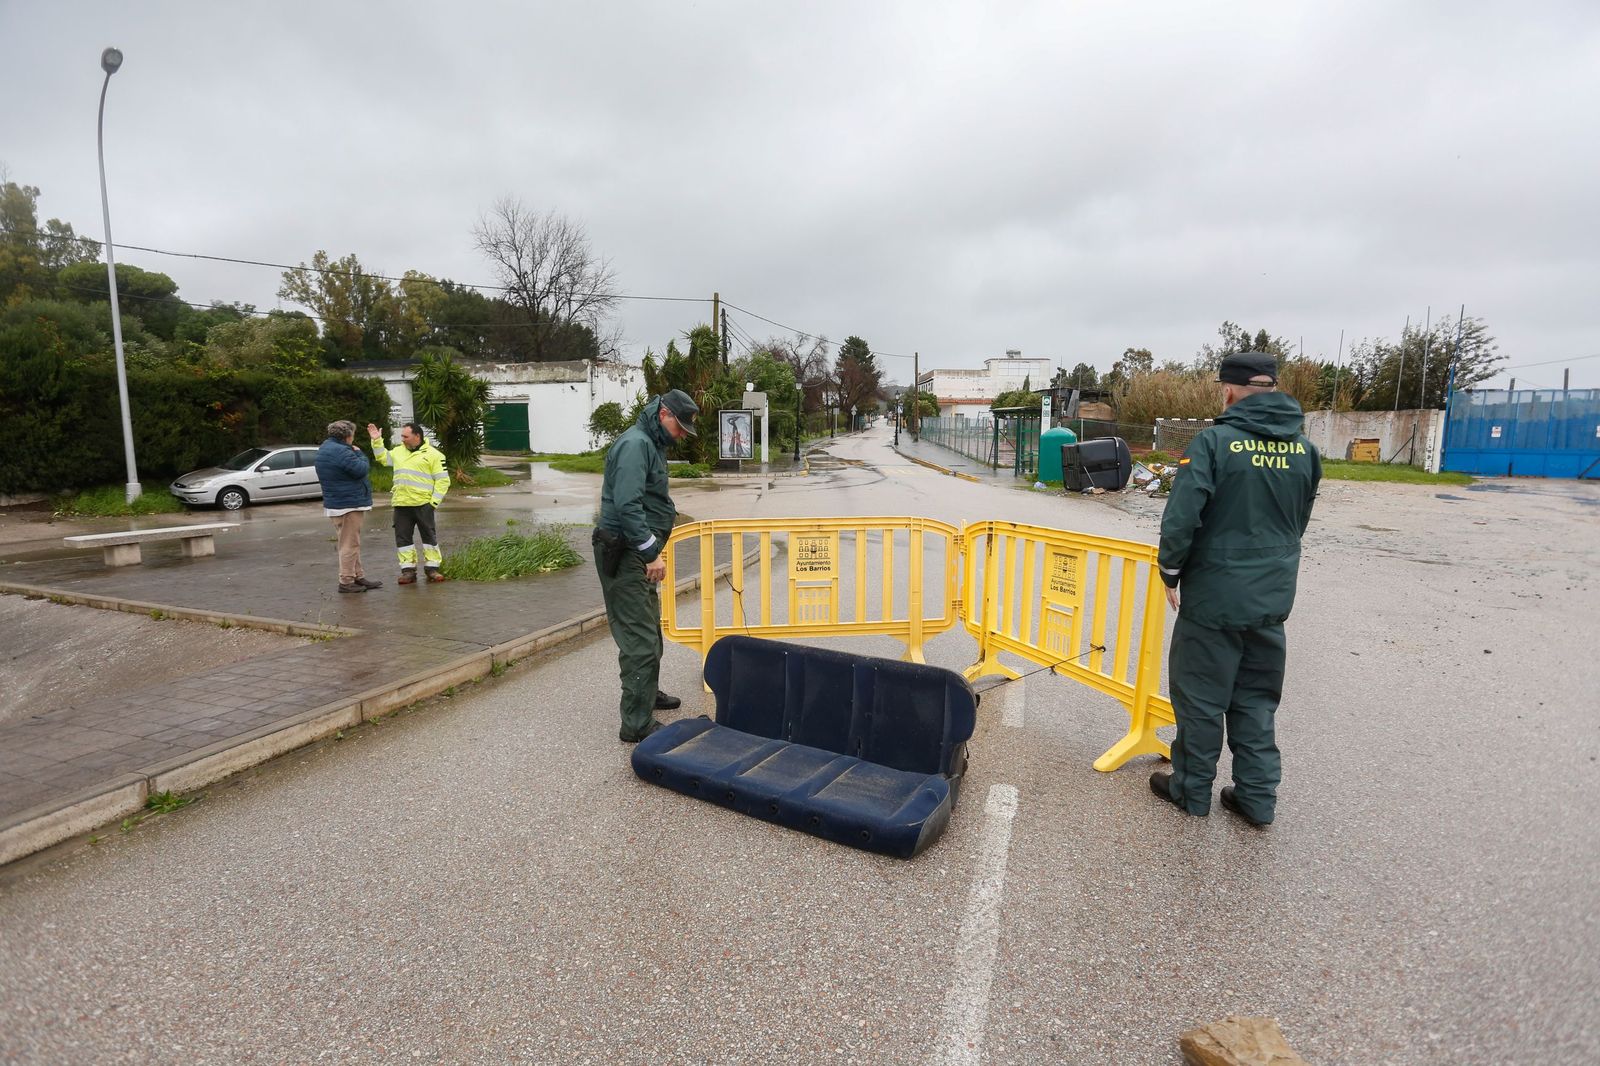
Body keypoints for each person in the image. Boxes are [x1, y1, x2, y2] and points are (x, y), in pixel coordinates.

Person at [1150, 352, 1321, 827]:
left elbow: (1182, 517)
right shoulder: (1304, 450)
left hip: (1214, 597)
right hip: (1271, 596)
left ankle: (1191, 790)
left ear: (1228, 391)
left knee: (1201, 697)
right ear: (1273, 388)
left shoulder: (1213, 443)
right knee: (1257, 699)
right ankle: (1256, 798)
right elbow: (1299, 520)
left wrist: (1170, 571)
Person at [593, 389, 699, 743]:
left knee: (650, 628)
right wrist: (651, 552)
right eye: (679, 427)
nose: (681, 435)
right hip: (625, 552)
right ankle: (636, 724)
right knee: (639, 638)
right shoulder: (636, 444)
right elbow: (628, 505)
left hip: (634, 551)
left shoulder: (651, 443)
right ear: (663, 413)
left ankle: (646, 695)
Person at [367, 421, 451, 585]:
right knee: (403, 539)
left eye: (405, 436)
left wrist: (433, 503)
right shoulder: (398, 451)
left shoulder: (434, 455)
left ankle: (432, 569)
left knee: (429, 537)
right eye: (402, 436)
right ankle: (408, 572)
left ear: (417, 436)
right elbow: (382, 458)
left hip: (423, 504)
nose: (402, 439)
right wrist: (376, 440)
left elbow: (443, 481)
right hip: (401, 504)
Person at [314, 420, 381, 594]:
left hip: (336, 503)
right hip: (348, 504)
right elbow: (361, 469)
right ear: (347, 435)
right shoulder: (342, 451)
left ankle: (358, 576)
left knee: (350, 543)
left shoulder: (325, 448)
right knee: (350, 545)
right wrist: (359, 454)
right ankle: (346, 581)